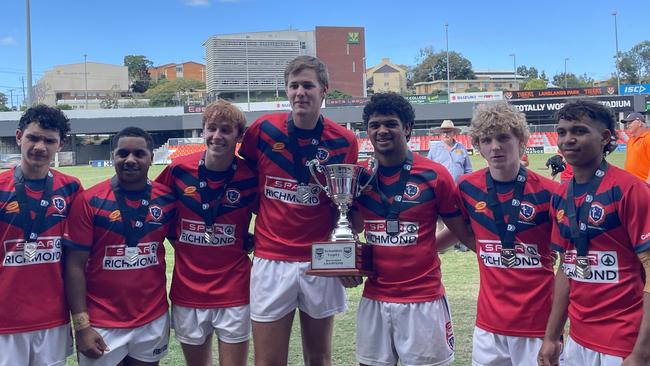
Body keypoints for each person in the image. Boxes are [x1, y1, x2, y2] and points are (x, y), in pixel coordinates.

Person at [239, 55, 359, 366]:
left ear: (324, 91)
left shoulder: (344, 140)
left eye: (308, 85)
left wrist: (345, 250)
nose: (300, 92)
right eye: (294, 86)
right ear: (286, 91)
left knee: (318, 358)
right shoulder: (264, 130)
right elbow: (245, 182)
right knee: (268, 361)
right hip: (271, 259)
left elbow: (343, 206)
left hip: (318, 258)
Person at [341, 92, 474, 366]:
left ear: (407, 128)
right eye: (374, 125)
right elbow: (351, 227)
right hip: (375, 298)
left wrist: (427, 247)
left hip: (423, 300)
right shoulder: (360, 178)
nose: (382, 131)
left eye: (390, 123)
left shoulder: (434, 175)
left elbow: (461, 230)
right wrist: (345, 265)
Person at [538, 100, 650, 366]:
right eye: (562, 132)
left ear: (605, 137)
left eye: (579, 131)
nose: (568, 139)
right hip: (578, 341)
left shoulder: (630, 190)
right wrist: (552, 337)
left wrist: (642, 352)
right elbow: (566, 266)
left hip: (624, 342)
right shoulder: (561, 195)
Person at [454, 102, 559, 365]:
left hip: (537, 324)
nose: (495, 146)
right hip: (488, 325)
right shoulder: (467, 187)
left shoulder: (550, 192)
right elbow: (460, 231)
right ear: (477, 145)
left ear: (521, 140)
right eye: (486, 140)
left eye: (503, 137)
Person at [64, 127, 176, 366]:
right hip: (101, 321)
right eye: (123, 153)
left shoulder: (167, 198)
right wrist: (82, 326)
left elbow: (185, 240)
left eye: (139, 153)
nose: (130, 160)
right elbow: (74, 266)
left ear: (151, 157)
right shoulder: (89, 200)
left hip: (152, 318)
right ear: (112, 156)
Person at [155, 100, 256, 366]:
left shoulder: (249, 175)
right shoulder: (178, 169)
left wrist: (253, 240)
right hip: (188, 289)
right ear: (202, 132)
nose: (217, 136)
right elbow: (156, 213)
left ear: (239, 135)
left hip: (235, 289)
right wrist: (179, 241)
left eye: (226, 130)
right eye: (211, 129)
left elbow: (271, 215)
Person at [0, 105, 83, 366]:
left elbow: (76, 256)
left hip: (52, 318)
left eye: (49, 140)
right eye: (33, 138)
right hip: (5, 320)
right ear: (18, 137)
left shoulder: (71, 188)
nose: (40, 147)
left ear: (61, 144)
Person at [427, 119, 473, 183]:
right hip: (441, 187)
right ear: (440, 133)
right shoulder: (434, 149)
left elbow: (468, 170)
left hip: (459, 187)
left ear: (453, 133)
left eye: (448, 132)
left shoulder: (461, 148)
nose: (445, 134)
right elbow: (428, 169)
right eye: (443, 132)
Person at [621, 112, 650, 183]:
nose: (627, 126)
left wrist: (647, 186)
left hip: (643, 186)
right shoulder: (632, 140)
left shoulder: (648, 138)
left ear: (639, 123)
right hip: (632, 185)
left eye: (630, 123)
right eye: (627, 124)